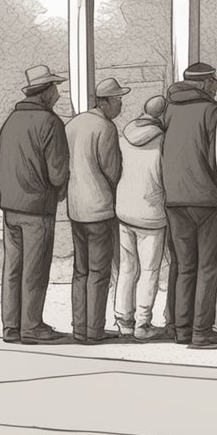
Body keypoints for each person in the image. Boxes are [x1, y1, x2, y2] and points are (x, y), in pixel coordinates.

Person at [0, 66, 70, 344]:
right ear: (47, 91)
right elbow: (58, 173)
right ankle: (32, 325)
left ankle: (11, 326)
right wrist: (62, 187)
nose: (59, 93)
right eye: (56, 88)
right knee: (35, 269)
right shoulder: (50, 123)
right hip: (37, 207)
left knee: (12, 268)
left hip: (10, 207)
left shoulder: (11, 121)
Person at [162, 62, 217, 349]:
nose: (216, 86)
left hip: (174, 199)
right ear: (203, 83)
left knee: (185, 266)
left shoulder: (169, 110)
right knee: (208, 267)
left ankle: (181, 328)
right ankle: (201, 331)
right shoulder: (212, 111)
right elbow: (216, 159)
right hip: (206, 199)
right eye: (213, 81)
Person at [65, 78, 128, 342]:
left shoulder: (73, 124)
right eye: (118, 100)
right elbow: (112, 170)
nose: (121, 104)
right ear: (105, 102)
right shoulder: (106, 127)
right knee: (99, 272)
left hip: (75, 207)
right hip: (100, 208)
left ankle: (79, 327)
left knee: (80, 271)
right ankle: (94, 330)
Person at [115, 96, 170, 341]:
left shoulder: (125, 136)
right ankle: (142, 323)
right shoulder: (162, 140)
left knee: (127, 269)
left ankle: (122, 318)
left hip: (125, 208)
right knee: (149, 270)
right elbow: (164, 175)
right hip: (151, 212)